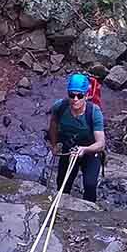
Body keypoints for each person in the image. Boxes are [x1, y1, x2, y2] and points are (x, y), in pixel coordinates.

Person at [46, 73, 106, 202]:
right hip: (69, 150)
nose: (75, 99)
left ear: (86, 95)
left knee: (90, 185)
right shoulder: (60, 107)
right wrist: (54, 144)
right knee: (62, 184)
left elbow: (101, 143)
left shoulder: (94, 112)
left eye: (80, 95)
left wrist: (84, 150)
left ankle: (89, 211)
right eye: (72, 95)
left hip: (90, 152)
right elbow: (53, 124)